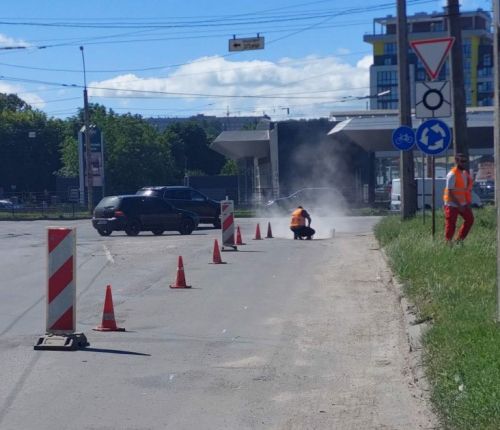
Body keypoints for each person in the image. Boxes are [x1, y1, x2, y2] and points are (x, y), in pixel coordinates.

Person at [443, 153, 474, 244]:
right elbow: (450, 192)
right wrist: (459, 205)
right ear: (456, 161)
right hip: (452, 204)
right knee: (451, 225)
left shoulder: (464, 174)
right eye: (462, 161)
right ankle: (448, 243)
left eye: (465, 161)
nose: (464, 163)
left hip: (463, 204)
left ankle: (459, 241)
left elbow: (465, 190)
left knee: (470, 220)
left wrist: (467, 202)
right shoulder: (452, 174)